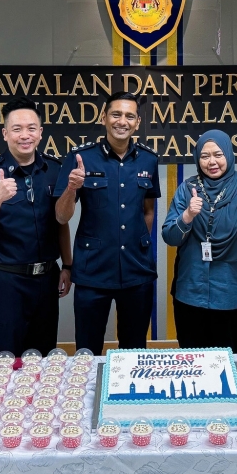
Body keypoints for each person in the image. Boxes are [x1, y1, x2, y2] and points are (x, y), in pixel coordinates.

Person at [54, 92, 160, 355]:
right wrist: (71, 188)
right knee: (87, 351)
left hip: (137, 271)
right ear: (104, 118)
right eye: (116, 114)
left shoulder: (149, 159)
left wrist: (138, 244)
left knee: (134, 351)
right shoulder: (81, 157)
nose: (122, 121)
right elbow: (61, 217)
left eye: (130, 116)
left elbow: (148, 211)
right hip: (93, 271)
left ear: (137, 122)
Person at [0, 97, 73, 356]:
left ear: (40, 133)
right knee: (8, 357)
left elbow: (61, 223)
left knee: (44, 357)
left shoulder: (54, 169)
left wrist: (68, 266)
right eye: (17, 129)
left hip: (47, 278)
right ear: (5, 134)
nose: (25, 135)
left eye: (31, 128)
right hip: (7, 281)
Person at [162, 130, 237, 348]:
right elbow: (170, 237)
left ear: (228, 154)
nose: (212, 162)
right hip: (190, 291)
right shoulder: (187, 189)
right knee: (192, 360)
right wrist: (187, 215)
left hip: (231, 294)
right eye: (205, 156)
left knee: (228, 360)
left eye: (218, 155)